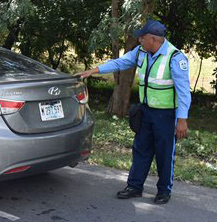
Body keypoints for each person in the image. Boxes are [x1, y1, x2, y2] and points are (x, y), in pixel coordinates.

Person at [77, 20, 191, 204]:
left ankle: (164, 191)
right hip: (145, 112)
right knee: (140, 149)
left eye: (142, 37)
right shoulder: (141, 52)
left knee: (164, 154)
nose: (139, 40)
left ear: (153, 39)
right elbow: (121, 62)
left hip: (166, 115)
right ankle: (134, 187)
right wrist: (95, 70)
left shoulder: (175, 58)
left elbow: (184, 91)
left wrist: (182, 119)